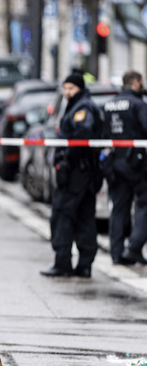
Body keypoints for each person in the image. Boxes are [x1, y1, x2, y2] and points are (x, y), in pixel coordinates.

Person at [40, 72, 102, 278]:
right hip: (84, 172)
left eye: (71, 88)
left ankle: (63, 263)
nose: (67, 92)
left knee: (62, 214)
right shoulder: (80, 105)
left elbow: (82, 134)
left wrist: (66, 160)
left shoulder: (82, 108)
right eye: (65, 88)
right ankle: (84, 265)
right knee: (84, 216)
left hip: (77, 172)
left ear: (80, 88)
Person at [102, 70, 147, 265]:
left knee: (119, 207)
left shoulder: (110, 104)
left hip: (114, 163)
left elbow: (103, 133)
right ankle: (134, 248)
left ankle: (116, 252)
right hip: (136, 163)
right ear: (136, 83)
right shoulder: (138, 104)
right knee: (144, 204)